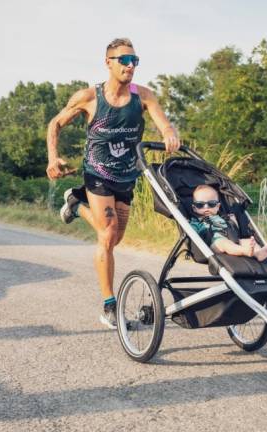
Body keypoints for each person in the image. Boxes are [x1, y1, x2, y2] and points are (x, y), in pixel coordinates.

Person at [45, 38, 181, 329]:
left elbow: (163, 122)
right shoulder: (89, 98)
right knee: (106, 235)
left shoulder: (143, 96)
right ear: (108, 62)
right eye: (124, 60)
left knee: (116, 238)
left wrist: (169, 133)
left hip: (126, 176)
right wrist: (52, 158)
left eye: (135, 61)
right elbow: (54, 123)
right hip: (97, 173)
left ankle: (75, 203)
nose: (130, 66)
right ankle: (109, 305)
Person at [189, 184, 267, 261]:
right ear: (194, 208)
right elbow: (192, 233)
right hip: (213, 245)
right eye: (200, 205)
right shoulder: (196, 221)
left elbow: (234, 229)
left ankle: (258, 253)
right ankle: (245, 251)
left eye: (211, 204)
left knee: (247, 241)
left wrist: (233, 222)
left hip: (232, 240)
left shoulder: (223, 217)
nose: (206, 207)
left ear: (218, 206)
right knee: (223, 243)